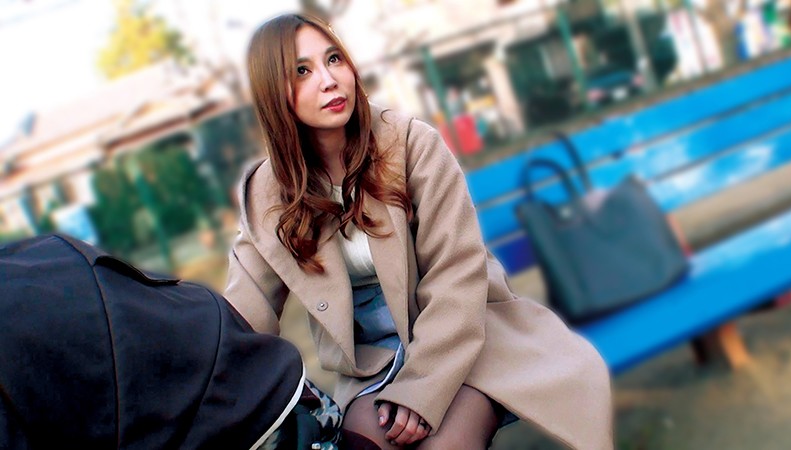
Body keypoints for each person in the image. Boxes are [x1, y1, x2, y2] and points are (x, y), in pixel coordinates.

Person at [225, 13, 613, 450]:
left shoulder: (410, 144)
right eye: (302, 71)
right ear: (272, 93)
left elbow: (457, 272)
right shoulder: (266, 192)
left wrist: (421, 387)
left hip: (465, 333)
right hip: (374, 362)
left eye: (334, 59)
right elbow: (244, 314)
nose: (329, 80)